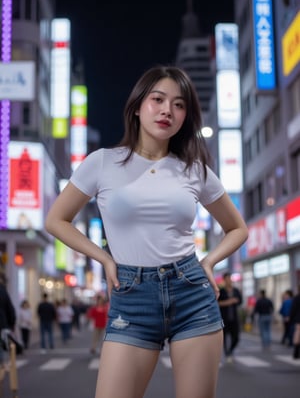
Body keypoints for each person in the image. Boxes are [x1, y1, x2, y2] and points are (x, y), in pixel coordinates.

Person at [45, 65, 248, 398]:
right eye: (158, 99)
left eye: (179, 104)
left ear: (186, 117)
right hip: (132, 297)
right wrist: (105, 260)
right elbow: (56, 220)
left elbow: (237, 228)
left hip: (191, 294)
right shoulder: (103, 162)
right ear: (138, 106)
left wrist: (209, 263)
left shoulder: (194, 168)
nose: (168, 110)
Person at [218, 272, 242, 362]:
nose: (229, 281)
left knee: (236, 337)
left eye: (230, 279)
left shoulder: (236, 291)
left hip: (234, 318)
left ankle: (231, 350)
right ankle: (227, 352)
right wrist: (228, 302)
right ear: (224, 280)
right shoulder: (221, 291)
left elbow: (240, 301)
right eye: (227, 279)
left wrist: (235, 301)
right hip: (224, 318)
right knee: (224, 337)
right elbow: (217, 303)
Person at [0, 270, 16, 365]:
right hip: (2, 325)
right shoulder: (2, 291)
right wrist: (11, 325)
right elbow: (10, 310)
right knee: (2, 349)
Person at [289, 284, 300, 359]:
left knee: (298, 334)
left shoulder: (296, 298)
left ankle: (296, 352)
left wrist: (291, 318)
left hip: (298, 319)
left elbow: (293, 310)